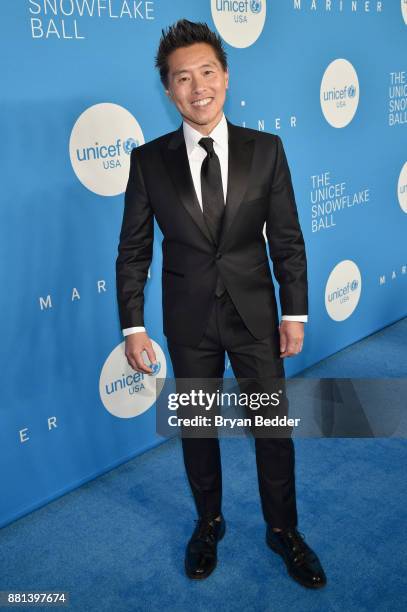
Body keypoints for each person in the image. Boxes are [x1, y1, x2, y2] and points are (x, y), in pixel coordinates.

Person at [116, 19, 326, 588]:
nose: (197, 86)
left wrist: (294, 313)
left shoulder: (267, 150)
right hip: (189, 323)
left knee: (272, 431)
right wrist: (133, 326)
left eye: (207, 71)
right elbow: (134, 251)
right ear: (168, 90)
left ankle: (284, 531)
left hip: (256, 317)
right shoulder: (148, 161)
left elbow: (287, 239)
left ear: (226, 77)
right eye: (182, 78)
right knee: (198, 430)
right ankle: (208, 523)